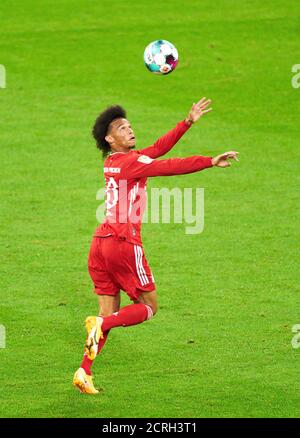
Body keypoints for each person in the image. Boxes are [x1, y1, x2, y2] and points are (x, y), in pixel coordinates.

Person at [73, 98, 239, 394]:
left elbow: (157, 150)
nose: (130, 129)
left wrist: (186, 123)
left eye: (129, 125)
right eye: (121, 128)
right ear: (110, 139)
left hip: (99, 244)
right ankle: (100, 324)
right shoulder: (132, 163)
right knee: (148, 307)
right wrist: (209, 161)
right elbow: (168, 166)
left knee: (109, 316)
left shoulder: (113, 162)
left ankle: (84, 371)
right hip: (123, 243)